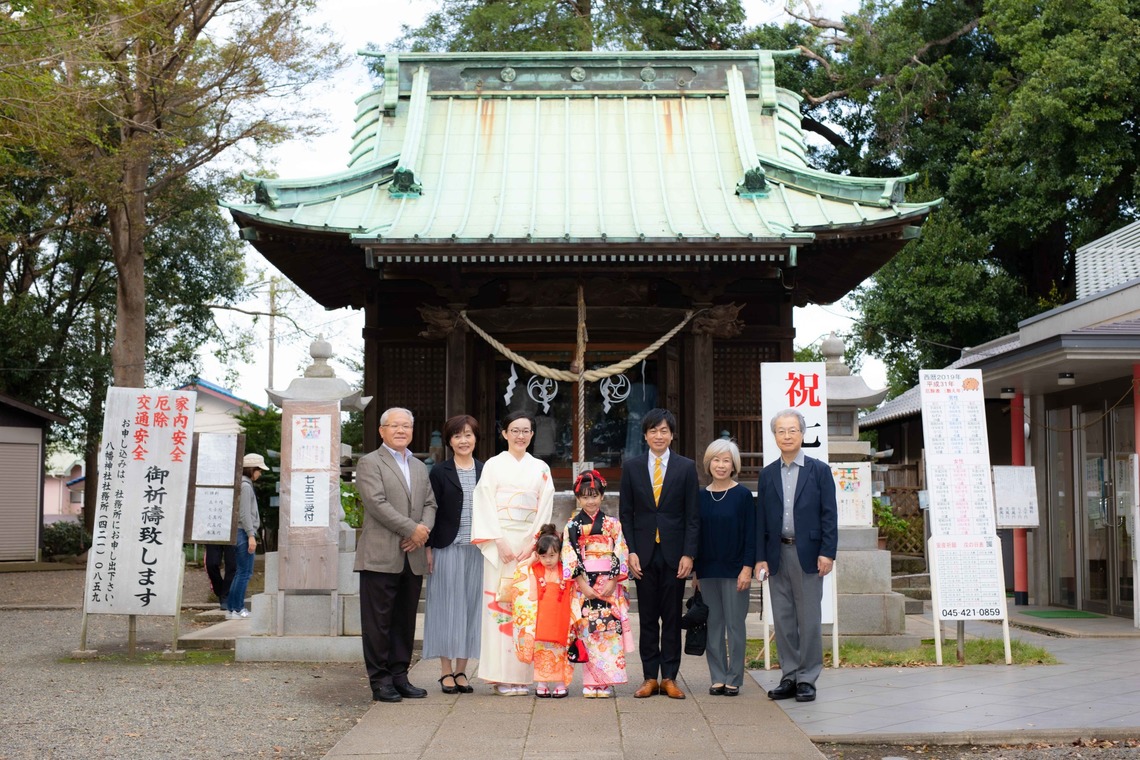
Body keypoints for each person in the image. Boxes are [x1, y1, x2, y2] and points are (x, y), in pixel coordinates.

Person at [353, 407, 438, 703]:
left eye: (406, 426)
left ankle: (400, 676)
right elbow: (376, 504)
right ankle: (380, 681)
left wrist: (422, 530)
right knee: (378, 622)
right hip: (380, 555)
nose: (401, 430)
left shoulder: (417, 465)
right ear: (381, 430)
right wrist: (411, 530)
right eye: (395, 426)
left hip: (411, 556)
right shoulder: (369, 463)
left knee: (404, 620)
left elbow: (430, 503)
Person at [756, 408, 838, 704]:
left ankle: (807, 678)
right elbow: (761, 519)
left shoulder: (818, 470)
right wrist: (760, 557)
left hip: (809, 555)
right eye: (781, 431)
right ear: (774, 435)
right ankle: (789, 675)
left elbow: (829, 515)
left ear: (803, 434)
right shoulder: (767, 474)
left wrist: (828, 552)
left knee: (810, 619)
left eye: (792, 430)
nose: (787, 435)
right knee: (784, 619)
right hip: (776, 553)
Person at [471, 409, 555, 696]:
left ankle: (522, 675)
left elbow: (545, 507)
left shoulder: (541, 468)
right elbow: (483, 503)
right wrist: (499, 541)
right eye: (515, 430)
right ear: (504, 433)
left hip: (528, 546)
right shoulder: (493, 466)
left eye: (526, 431)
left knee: (527, 610)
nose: (521, 435)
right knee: (499, 606)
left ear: (532, 435)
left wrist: (533, 546)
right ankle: (499, 675)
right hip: (501, 544)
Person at [618, 408, 700, 699]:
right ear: (645, 435)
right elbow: (626, 514)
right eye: (653, 431)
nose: (659, 435)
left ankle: (670, 678)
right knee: (649, 618)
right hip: (644, 556)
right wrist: (630, 551)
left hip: (675, 556)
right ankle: (649, 677)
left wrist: (689, 554)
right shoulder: (632, 467)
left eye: (664, 430)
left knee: (672, 617)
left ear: (672, 434)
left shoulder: (686, 467)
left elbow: (693, 516)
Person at [423, 414, 484, 695]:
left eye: (468, 434)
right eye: (457, 435)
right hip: (446, 547)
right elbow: (430, 509)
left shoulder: (486, 470)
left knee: (471, 609)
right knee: (446, 609)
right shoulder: (439, 472)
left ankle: (462, 670)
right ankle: (445, 671)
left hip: (478, 550)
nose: (463, 440)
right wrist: (428, 547)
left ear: (475, 438)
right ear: (449, 440)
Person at [692, 439, 756, 697]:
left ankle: (735, 678)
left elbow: (751, 535)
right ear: (709, 463)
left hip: (735, 570)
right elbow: (696, 537)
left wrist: (747, 568)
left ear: (733, 465)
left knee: (735, 626)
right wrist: (696, 572)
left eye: (726, 460)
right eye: (716, 460)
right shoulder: (700, 497)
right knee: (714, 626)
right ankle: (717, 676)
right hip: (707, 570)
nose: (721, 465)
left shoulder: (742, 496)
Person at [562, 469, 633, 698]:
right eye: (585, 496)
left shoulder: (613, 524)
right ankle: (591, 683)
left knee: (608, 631)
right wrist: (582, 583)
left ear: (602, 496)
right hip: (586, 585)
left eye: (594, 496)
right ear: (578, 498)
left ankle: (605, 682)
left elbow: (620, 550)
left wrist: (613, 580)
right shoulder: (572, 525)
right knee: (588, 631)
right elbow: (569, 554)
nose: (590, 501)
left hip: (608, 585)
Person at [510, 524, 574, 698]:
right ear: (538, 555)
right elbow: (520, 573)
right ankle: (542, 682)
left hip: (561, 615)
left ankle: (561, 682)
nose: (548, 560)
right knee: (541, 650)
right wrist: (531, 559)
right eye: (543, 556)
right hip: (541, 617)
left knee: (560, 649)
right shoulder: (534, 569)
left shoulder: (566, 570)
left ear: (560, 553)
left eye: (552, 555)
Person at [227, 453, 266, 620]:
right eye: (259, 470)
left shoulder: (244, 485)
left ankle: (233, 608)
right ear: (252, 469)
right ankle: (237, 607)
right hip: (243, 532)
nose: (260, 474)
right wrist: (251, 535)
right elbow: (244, 514)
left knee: (241, 572)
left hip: (241, 532)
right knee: (244, 572)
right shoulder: (246, 486)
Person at [205, 542, 235, 611]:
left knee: (232, 565)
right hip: (213, 534)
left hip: (234, 533)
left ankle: (226, 596)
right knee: (211, 564)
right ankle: (220, 592)